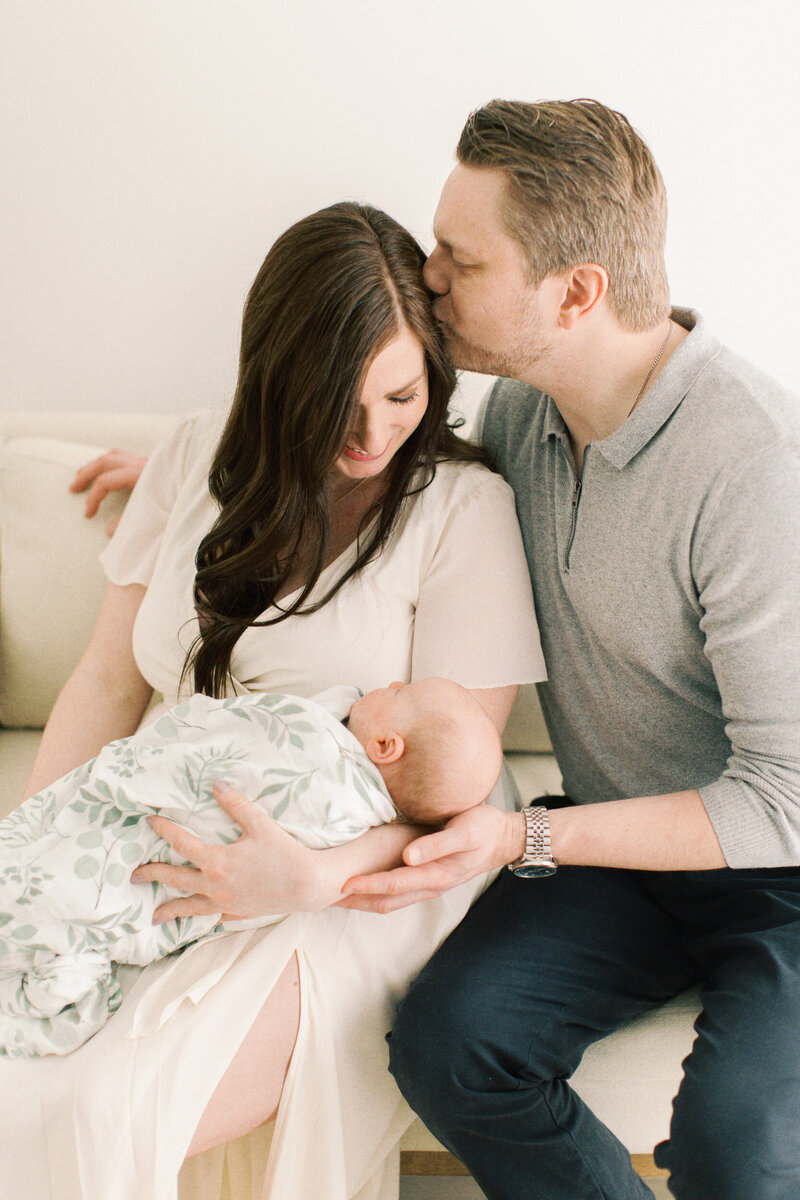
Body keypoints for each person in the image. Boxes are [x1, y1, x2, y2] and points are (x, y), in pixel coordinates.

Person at [0, 201, 545, 1200]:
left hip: (367, 872)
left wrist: (312, 877)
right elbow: (106, 680)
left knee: (119, 1103)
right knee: (24, 1072)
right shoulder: (196, 455)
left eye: (399, 395)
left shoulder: (463, 512)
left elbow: (451, 790)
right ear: (275, 381)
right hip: (170, 812)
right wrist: (38, 840)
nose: (372, 432)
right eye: (338, 402)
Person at [332, 100, 799, 1200]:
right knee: (451, 1045)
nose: (428, 275)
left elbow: (784, 798)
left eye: (459, 257)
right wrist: (193, 474)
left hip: (781, 874)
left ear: (575, 292)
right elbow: (371, 452)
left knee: (742, 1155)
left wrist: (520, 838)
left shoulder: (754, 466)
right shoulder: (514, 419)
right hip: (617, 863)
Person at [1, 678, 502, 1059]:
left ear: (386, 746)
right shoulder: (353, 785)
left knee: (59, 890)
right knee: (68, 899)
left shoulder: (326, 773)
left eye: (400, 691)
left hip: (161, 863)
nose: (389, 683)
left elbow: (223, 759)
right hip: (145, 874)